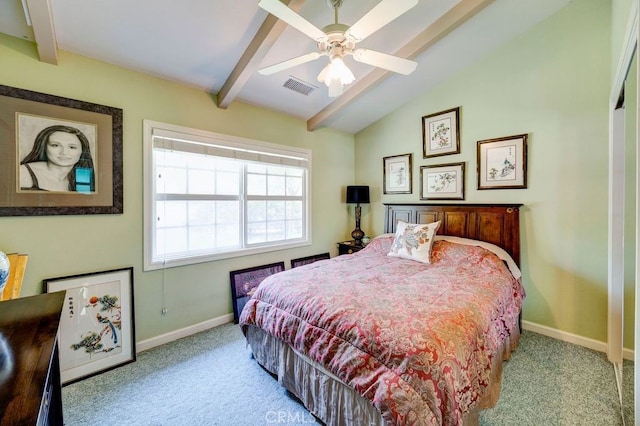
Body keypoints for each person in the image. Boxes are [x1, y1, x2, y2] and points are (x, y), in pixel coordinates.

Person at [19, 125, 95, 192]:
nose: (64, 152)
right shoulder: (23, 172)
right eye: (55, 145)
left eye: (72, 147)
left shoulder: (83, 177)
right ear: (44, 147)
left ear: (83, 151)